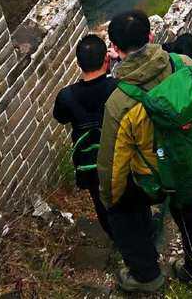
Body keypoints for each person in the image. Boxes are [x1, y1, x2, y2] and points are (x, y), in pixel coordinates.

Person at [97, 10, 192, 293]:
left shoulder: (120, 102)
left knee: (120, 209)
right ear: (151, 36)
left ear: (116, 50)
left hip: (155, 179)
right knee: (189, 208)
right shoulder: (184, 64)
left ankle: (146, 275)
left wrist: (109, 199)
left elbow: (112, 166)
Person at [53, 34, 117, 238]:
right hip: (117, 156)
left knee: (100, 201)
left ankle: (116, 238)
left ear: (79, 63)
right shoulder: (117, 87)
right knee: (128, 197)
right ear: (106, 59)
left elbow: (61, 118)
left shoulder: (66, 96)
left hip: (90, 164)